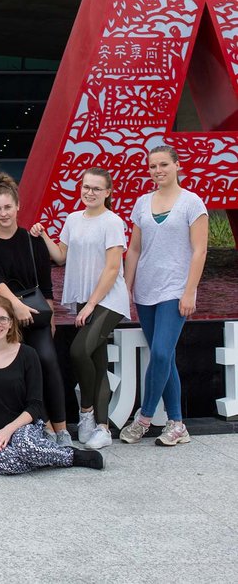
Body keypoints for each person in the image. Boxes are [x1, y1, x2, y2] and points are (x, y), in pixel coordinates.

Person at [33, 167, 129, 450]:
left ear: (108, 192)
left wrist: (90, 305)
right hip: (85, 300)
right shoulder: (74, 219)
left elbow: (113, 268)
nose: (90, 192)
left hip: (108, 300)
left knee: (78, 351)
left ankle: (88, 413)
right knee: (97, 363)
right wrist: (43, 236)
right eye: (86, 187)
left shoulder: (112, 222)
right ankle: (101, 426)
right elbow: (61, 257)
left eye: (97, 189)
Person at [0, 173, 69, 446]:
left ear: (17, 207)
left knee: (46, 359)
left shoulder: (31, 239)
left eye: (7, 207)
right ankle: (40, 424)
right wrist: (16, 305)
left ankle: (60, 430)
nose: (3, 213)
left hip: (32, 315)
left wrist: (50, 316)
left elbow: (45, 285)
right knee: (17, 365)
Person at [120, 145, 208, 446]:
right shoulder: (143, 203)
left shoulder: (192, 203)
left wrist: (189, 291)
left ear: (177, 166)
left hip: (175, 290)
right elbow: (133, 249)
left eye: (163, 165)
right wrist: (127, 290)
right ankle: (177, 424)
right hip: (146, 291)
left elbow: (200, 250)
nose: (157, 171)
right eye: (152, 166)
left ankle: (144, 418)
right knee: (165, 357)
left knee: (159, 353)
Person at [0, 296, 104, 474]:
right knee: (9, 463)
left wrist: (7, 431)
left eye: (3, 319)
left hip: (21, 428)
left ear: (11, 322)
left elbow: (35, 405)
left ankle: (73, 456)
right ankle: (52, 456)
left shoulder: (28, 354)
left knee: (28, 447)